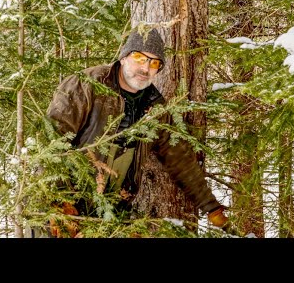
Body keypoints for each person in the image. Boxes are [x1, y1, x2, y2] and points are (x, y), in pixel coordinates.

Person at [32, 28, 228, 237]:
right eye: (139, 58)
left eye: (154, 63)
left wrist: (211, 207)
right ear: (124, 57)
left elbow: (179, 158)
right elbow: (51, 140)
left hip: (108, 213)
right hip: (61, 207)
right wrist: (58, 203)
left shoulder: (154, 106)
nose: (145, 68)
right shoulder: (86, 84)